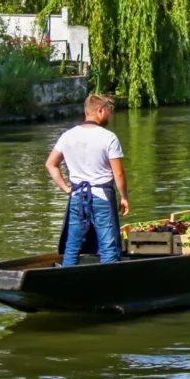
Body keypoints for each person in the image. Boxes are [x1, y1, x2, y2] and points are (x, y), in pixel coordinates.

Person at [45, 94, 130, 267]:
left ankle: (67, 279)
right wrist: (124, 197)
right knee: (108, 246)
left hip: (77, 195)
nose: (110, 116)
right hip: (102, 196)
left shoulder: (67, 136)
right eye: (108, 111)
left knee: (72, 246)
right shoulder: (109, 137)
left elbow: (50, 164)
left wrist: (66, 188)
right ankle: (108, 281)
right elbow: (118, 173)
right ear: (100, 110)